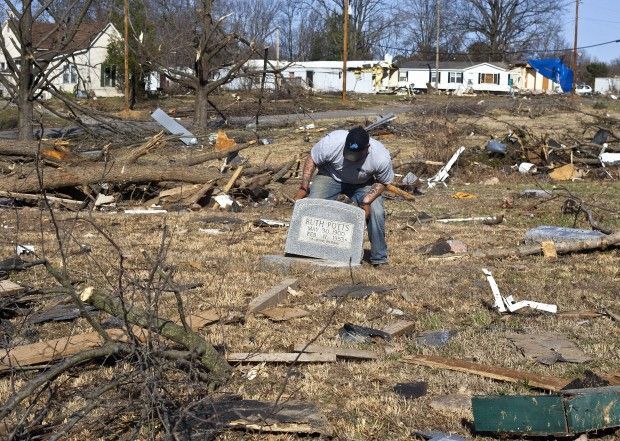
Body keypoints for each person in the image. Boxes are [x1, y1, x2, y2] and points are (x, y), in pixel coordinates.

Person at [294, 126, 394, 266]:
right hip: (331, 176)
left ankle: (379, 258)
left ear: (367, 147)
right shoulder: (333, 142)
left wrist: (366, 201)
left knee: (377, 212)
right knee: (313, 205)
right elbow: (313, 158)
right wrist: (304, 187)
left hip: (363, 183)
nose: (351, 157)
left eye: (356, 154)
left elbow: (384, 181)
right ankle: (308, 250)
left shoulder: (380, 156)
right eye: (348, 152)